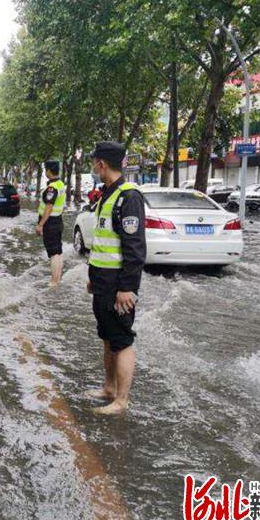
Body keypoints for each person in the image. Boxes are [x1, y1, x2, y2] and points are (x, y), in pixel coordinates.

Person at [85, 142, 146, 415]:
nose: (92, 167)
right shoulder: (107, 194)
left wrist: (127, 289)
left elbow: (135, 248)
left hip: (118, 284)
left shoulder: (128, 197)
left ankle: (122, 400)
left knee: (121, 339)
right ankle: (109, 388)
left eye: (93, 162)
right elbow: (102, 243)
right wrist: (94, 277)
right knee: (108, 336)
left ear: (101, 165)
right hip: (102, 282)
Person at [36, 161, 67, 286]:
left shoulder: (52, 187)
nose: (45, 171)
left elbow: (49, 207)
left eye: (45, 169)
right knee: (58, 251)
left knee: (53, 253)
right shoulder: (60, 184)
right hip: (58, 221)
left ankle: (54, 282)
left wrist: (40, 224)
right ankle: (57, 279)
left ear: (49, 171)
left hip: (50, 222)